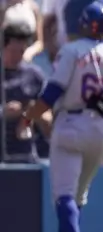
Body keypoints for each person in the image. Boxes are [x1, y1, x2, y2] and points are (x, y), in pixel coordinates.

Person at [17, 1, 103, 232]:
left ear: (81, 24)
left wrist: (29, 116)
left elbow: (52, 92)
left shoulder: (70, 51)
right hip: (100, 131)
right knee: (75, 197)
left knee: (63, 196)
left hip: (70, 123)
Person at [0, 21, 52, 163]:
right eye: (14, 51)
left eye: (22, 50)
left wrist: (30, 113)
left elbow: (49, 120)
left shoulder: (34, 76)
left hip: (26, 155)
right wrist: (4, 112)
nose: (19, 55)